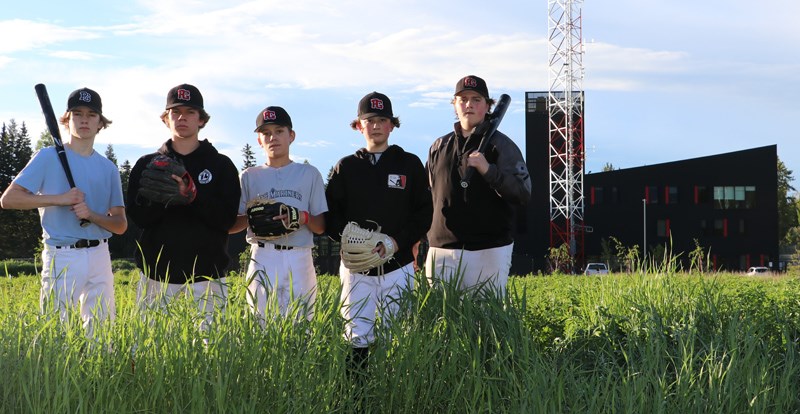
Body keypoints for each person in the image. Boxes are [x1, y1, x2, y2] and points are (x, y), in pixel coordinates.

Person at [0, 87, 127, 336]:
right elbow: (9, 199)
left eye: (91, 115)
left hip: (100, 253)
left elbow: (120, 225)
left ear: (101, 123)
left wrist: (91, 215)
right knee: (55, 330)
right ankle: (55, 374)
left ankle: (97, 373)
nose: (84, 119)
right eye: (77, 113)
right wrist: (60, 199)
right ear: (67, 120)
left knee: (101, 331)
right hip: (62, 255)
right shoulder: (47, 157)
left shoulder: (108, 168)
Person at [326, 91, 432, 371]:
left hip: (398, 265)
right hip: (357, 268)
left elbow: (424, 213)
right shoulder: (346, 167)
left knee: (398, 335)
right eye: (369, 120)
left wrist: (397, 242)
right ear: (359, 125)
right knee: (356, 334)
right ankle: (357, 399)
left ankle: (395, 395)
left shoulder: (409, 163)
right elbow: (331, 217)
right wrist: (348, 242)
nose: (375, 125)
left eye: (382, 119)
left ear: (391, 125)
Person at [127, 83, 240, 331]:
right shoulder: (148, 165)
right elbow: (139, 219)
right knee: (151, 351)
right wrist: (164, 199)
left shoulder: (221, 165)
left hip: (207, 277)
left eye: (189, 112)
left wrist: (192, 197)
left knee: (211, 353)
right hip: (157, 276)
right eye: (175, 112)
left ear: (201, 119)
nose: (182, 118)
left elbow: (226, 221)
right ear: (166, 119)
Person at [425, 75, 531, 295]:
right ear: (454, 105)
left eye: (476, 99)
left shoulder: (501, 145)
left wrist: (489, 171)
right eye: (462, 99)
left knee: (486, 320)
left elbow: (523, 193)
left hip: (489, 248)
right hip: (441, 248)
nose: (469, 104)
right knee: (442, 319)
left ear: (488, 106)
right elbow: (428, 196)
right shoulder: (439, 146)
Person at [229, 106, 327, 324]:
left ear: (291, 136)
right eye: (266, 133)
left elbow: (321, 226)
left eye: (279, 131)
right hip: (263, 255)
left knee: (303, 326)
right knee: (259, 324)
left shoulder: (309, 173)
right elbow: (234, 224)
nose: (273, 137)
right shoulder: (248, 176)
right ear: (259, 141)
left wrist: (303, 217)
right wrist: (253, 217)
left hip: (299, 255)